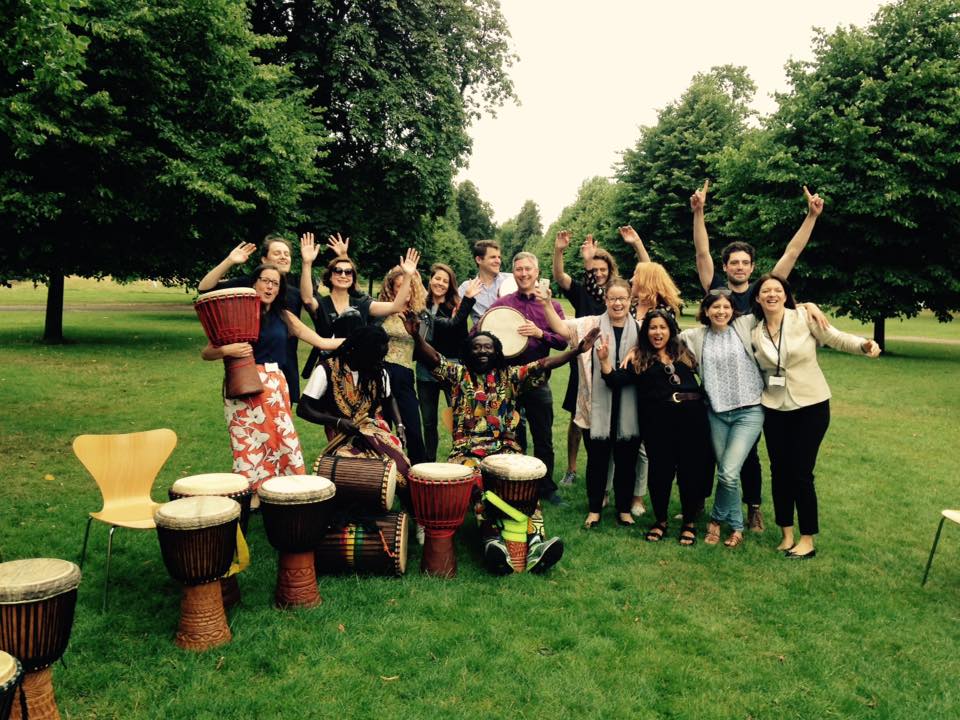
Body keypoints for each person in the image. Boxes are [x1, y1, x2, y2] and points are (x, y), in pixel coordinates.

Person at [405, 312, 600, 574]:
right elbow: (433, 358)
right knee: (478, 483)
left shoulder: (511, 376)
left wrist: (577, 351)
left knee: (526, 485)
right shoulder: (457, 375)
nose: (483, 351)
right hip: (466, 451)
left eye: (488, 347)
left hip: (505, 450)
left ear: (497, 351)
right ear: (468, 352)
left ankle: (535, 544)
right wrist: (416, 335)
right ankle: (492, 540)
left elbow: (546, 363)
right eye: (477, 347)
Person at [691, 180, 825, 531]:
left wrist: (811, 217)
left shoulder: (759, 294)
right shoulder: (716, 292)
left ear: (752, 267)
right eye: (733, 262)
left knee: (751, 455)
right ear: (726, 266)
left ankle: (753, 507)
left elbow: (791, 255)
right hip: (719, 389)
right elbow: (701, 254)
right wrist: (699, 212)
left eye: (745, 262)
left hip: (755, 390)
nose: (739, 267)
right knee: (719, 454)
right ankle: (716, 509)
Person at [749, 274, 880, 559]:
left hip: (811, 405)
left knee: (801, 473)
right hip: (774, 407)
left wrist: (863, 345)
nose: (772, 294)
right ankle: (786, 534)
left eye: (777, 290)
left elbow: (834, 337)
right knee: (779, 472)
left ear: (785, 294)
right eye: (765, 291)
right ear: (757, 298)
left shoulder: (804, 317)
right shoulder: (754, 329)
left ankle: (807, 539)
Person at [200, 263, 343, 497]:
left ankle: (281, 490)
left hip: (275, 385)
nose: (269, 287)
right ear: (254, 283)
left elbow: (321, 342)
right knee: (248, 443)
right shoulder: (238, 313)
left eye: (275, 283)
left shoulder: (284, 315)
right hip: (243, 383)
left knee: (281, 440)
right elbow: (207, 353)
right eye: (265, 281)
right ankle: (253, 494)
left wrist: (359, 340)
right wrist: (229, 349)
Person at [601, 309, 714, 545]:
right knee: (660, 473)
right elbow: (616, 381)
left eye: (663, 327)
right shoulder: (640, 358)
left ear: (671, 329)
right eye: (653, 327)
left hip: (693, 419)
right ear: (646, 332)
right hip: (658, 423)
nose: (658, 332)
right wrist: (604, 362)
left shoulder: (684, 351)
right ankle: (660, 520)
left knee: (689, 472)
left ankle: (689, 523)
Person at [538, 278, 641, 528]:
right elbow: (561, 329)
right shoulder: (590, 325)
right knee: (597, 461)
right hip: (597, 406)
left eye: (622, 299)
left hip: (630, 407)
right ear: (605, 300)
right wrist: (546, 303)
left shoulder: (640, 329)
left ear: (630, 301)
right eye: (613, 298)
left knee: (627, 462)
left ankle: (624, 510)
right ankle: (594, 509)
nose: (617, 303)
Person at [552, 230, 648, 488]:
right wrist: (561, 251)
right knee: (578, 416)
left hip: (616, 362)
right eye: (594, 270)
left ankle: (614, 478)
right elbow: (560, 277)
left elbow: (647, 274)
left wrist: (637, 244)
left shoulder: (621, 294)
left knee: (618, 417)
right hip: (584, 363)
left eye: (602, 269)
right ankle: (573, 469)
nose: (598, 273)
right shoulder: (584, 292)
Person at [679, 290, 765, 547]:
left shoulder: (744, 325)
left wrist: (809, 307)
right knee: (730, 473)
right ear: (706, 311)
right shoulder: (695, 336)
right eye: (715, 307)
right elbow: (659, 337)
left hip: (749, 410)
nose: (721, 312)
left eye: (726, 307)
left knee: (727, 473)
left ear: (733, 310)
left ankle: (718, 521)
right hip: (716, 412)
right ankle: (736, 526)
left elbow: (777, 308)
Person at [488, 252, 569, 503]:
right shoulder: (503, 304)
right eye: (519, 269)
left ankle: (546, 488)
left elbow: (563, 340)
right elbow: (479, 330)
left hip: (538, 379)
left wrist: (539, 333)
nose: (523, 274)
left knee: (543, 435)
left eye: (528, 270)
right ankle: (516, 485)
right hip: (509, 380)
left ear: (537, 272)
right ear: (514, 273)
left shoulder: (551, 306)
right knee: (513, 435)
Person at [198, 235, 306, 401]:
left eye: (287, 253)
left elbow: (312, 302)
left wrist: (307, 263)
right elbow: (204, 288)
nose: (283, 256)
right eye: (277, 253)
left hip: (284, 370)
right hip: (249, 373)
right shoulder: (247, 285)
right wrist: (230, 261)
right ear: (264, 259)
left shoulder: (294, 294)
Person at [296, 324, 409, 480]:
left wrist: (400, 425)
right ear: (359, 351)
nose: (379, 363)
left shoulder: (378, 370)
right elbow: (303, 409)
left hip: (374, 431)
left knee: (400, 469)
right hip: (342, 436)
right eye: (374, 358)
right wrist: (337, 422)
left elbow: (389, 399)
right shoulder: (326, 370)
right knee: (362, 473)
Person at [298, 233, 415, 375]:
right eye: (338, 271)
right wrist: (307, 263)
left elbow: (395, 306)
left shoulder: (362, 304)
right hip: (327, 369)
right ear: (330, 276)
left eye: (348, 272)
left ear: (353, 279)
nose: (343, 275)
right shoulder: (322, 304)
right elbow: (307, 299)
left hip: (357, 370)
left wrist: (408, 276)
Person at [417, 264, 481, 461]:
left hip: (452, 368)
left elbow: (457, 333)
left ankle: (459, 458)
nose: (441, 283)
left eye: (445, 281)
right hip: (425, 370)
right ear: (430, 280)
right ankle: (429, 462)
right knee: (428, 422)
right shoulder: (421, 305)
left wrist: (467, 302)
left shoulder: (456, 306)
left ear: (450, 284)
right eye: (437, 279)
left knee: (458, 418)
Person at [376, 251, 429, 465]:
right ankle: (386, 473)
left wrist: (413, 275)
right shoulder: (382, 311)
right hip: (382, 371)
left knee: (413, 426)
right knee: (384, 425)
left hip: (405, 373)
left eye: (407, 286)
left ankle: (418, 471)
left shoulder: (418, 314)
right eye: (399, 286)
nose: (404, 291)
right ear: (392, 289)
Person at [457, 239, 514, 322]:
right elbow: (454, 317)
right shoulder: (466, 287)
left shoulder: (510, 280)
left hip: (509, 331)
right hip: (482, 332)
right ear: (479, 260)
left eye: (499, 257)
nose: (498, 261)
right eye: (493, 257)